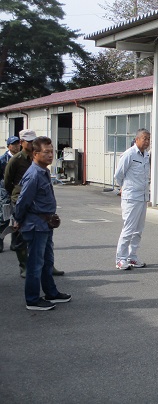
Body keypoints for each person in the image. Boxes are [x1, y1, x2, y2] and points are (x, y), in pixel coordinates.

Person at [14, 136, 71, 311]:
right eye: (46, 152)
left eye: (51, 151)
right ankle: (32, 299)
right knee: (35, 263)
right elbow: (23, 201)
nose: (50, 155)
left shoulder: (43, 171)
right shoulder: (33, 174)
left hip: (45, 224)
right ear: (35, 154)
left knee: (47, 261)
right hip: (36, 225)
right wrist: (18, 219)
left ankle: (51, 292)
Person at [4, 130, 64, 277]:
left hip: (37, 203)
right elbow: (7, 181)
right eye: (28, 141)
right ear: (21, 142)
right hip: (21, 199)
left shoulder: (39, 158)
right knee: (21, 237)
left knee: (44, 243)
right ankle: (24, 265)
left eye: (33, 141)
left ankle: (48, 266)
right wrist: (15, 198)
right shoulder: (16, 160)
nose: (30, 144)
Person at [114, 129, 151, 270]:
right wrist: (124, 188)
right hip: (131, 198)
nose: (147, 141)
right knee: (128, 229)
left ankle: (132, 257)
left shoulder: (146, 155)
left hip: (142, 197)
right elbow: (118, 175)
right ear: (137, 139)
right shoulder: (129, 154)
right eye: (144, 138)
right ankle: (120, 259)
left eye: (148, 139)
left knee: (138, 230)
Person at [0, 135, 21, 252]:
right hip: (5, 193)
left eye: (18, 144)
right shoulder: (3, 159)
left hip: (18, 192)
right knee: (4, 217)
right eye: (14, 144)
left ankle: (15, 243)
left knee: (17, 217)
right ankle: (0, 241)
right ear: (8, 146)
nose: (17, 146)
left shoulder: (21, 158)